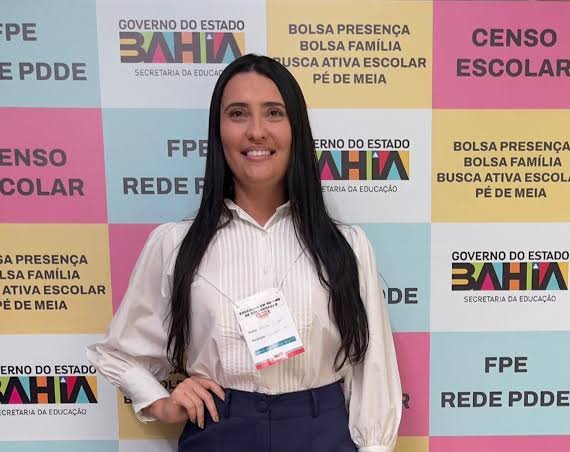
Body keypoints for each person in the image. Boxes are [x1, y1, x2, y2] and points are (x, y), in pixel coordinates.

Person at [87, 54, 402, 452]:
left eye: (274, 113)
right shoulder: (175, 245)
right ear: (218, 130)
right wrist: (161, 402)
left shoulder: (346, 246)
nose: (256, 131)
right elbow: (120, 353)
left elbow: (372, 369)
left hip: (320, 434)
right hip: (219, 431)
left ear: (296, 128)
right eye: (238, 114)